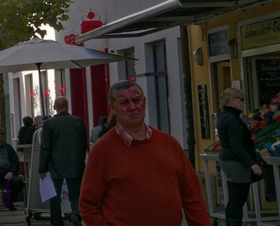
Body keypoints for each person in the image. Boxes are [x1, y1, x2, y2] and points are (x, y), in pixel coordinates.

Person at [79, 80, 209, 226]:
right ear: (112, 108)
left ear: (144, 102)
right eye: (124, 102)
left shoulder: (169, 143)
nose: (132, 107)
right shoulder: (102, 150)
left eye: (136, 100)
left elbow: (192, 195)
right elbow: (87, 204)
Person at [216, 88, 262, 226]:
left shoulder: (223, 116)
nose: (243, 103)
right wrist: (252, 163)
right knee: (238, 199)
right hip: (236, 163)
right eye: (241, 99)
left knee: (234, 198)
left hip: (227, 159)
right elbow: (237, 145)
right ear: (232, 101)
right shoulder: (233, 120)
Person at [39, 97, 87, 226]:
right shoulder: (79, 122)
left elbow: (45, 147)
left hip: (55, 164)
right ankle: (76, 214)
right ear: (68, 106)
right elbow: (83, 144)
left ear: (55, 107)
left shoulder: (49, 124)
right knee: (75, 194)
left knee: (55, 195)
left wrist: (42, 169)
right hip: (75, 163)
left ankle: (56, 221)